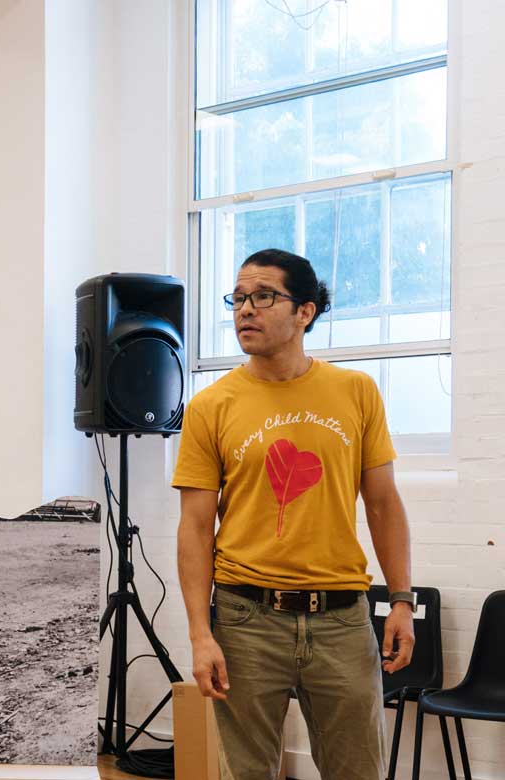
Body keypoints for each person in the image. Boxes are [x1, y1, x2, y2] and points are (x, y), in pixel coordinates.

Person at [173, 248, 415, 780]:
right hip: (245, 618)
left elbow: (383, 503)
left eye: (262, 296)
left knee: (359, 771)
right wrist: (200, 633)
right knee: (247, 772)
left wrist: (401, 599)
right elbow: (195, 528)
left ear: (305, 311)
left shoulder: (356, 392)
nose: (244, 310)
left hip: (343, 619)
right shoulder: (210, 407)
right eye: (237, 298)